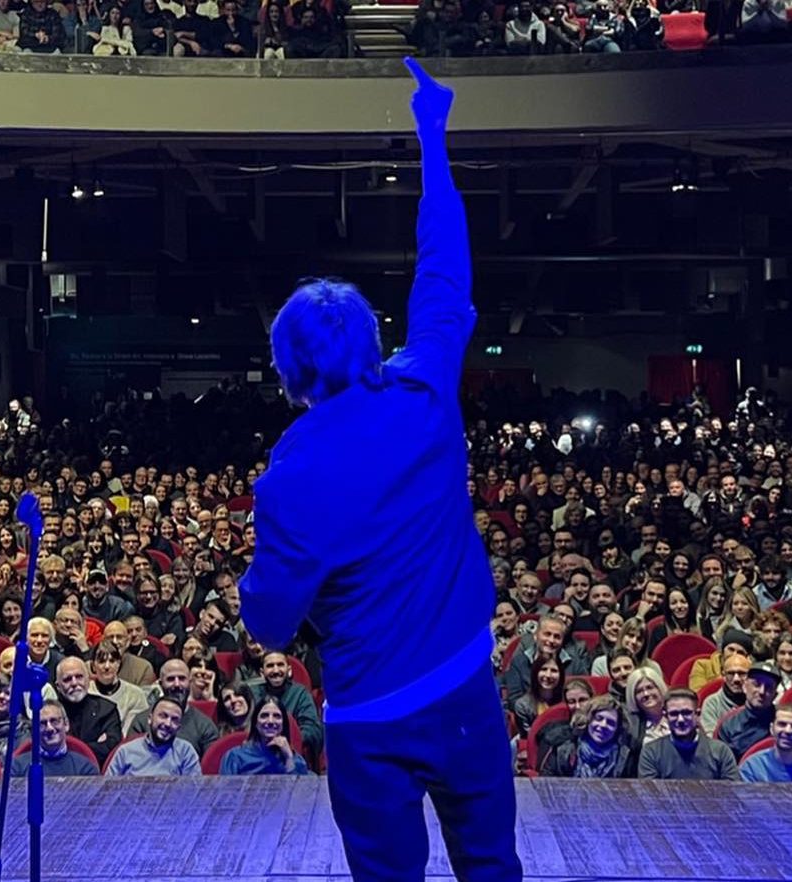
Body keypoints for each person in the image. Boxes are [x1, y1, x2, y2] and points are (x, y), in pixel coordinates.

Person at [240, 59, 521, 882]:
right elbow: (443, 266)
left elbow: (269, 622)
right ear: (373, 339)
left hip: (369, 718)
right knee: (492, 869)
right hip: (466, 690)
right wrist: (432, 134)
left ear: (288, 372)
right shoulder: (424, 387)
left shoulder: (289, 476)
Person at [637, 688, 739, 781]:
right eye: (674, 714)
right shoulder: (651, 752)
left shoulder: (721, 751)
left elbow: (732, 791)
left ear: (697, 714)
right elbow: (649, 793)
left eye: (686, 713)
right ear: (666, 716)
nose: (680, 719)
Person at [541, 694, 641, 779]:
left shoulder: (626, 757)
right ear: (587, 720)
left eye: (610, 723)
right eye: (599, 718)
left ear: (617, 729)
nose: (603, 725)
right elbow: (546, 784)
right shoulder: (564, 749)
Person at [105, 697, 202, 777]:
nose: (168, 723)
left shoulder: (186, 752)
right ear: (150, 719)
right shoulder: (125, 752)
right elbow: (107, 790)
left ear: (179, 727)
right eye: (163, 716)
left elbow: (194, 791)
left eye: (174, 720)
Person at [53, 656, 123, 766]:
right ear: (58, 686)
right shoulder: (49, 714)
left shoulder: (107, 709)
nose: (74, 683)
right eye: (67, 679)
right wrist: (94, 745)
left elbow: (112, 749)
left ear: (88, 680)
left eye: (79, 677)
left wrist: (67, 748)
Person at [220, 694, 311, 776]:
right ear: (255, 723)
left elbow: (299, 787)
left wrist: (288, 757)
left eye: (276, 716)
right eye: (264, 715)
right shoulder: (235, 757)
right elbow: (225, 788)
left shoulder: (295, 759)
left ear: (283, 724)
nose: (270, 721)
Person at [11, 701, 101, 778]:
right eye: (42, 723)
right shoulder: (17, 767)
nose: (49, 728)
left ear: (66, 724)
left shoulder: (85, 768)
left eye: (54, 721)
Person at [716, 659, 782, 760]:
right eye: (757, 684)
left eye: (768, 687)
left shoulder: (785, 723)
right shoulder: (728, 726)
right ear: (744, 687)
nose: (762, 691)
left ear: (775, 694)